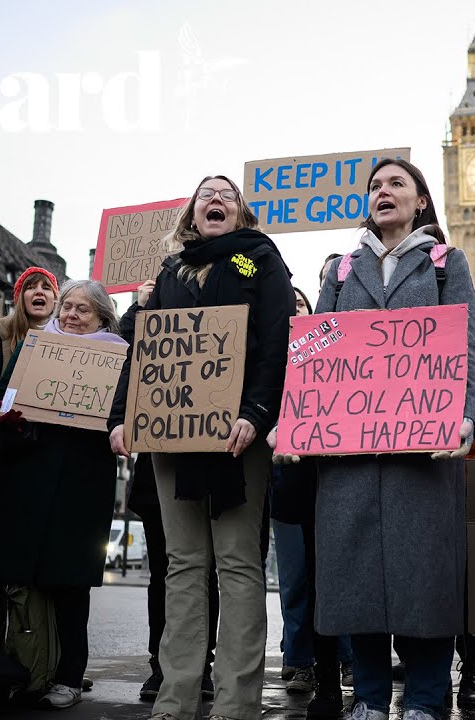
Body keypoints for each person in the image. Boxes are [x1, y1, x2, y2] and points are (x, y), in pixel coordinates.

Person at [292, 157, 475, 720]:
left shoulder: (447, 265)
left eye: (396, 183)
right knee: (355, 582)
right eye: (375, 185)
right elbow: (314, 353)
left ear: (420, 200)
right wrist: (296, 412)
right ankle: (370, 700)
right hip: (349, 459)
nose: (383, 191)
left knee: (423, 579)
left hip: (422, 455)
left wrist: (466, 419)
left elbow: (468, 349)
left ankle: (426, 700)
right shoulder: (342, 272)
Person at [109, 174, 293, 720]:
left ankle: (236, 704)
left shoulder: (259, 260)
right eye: (206, 193)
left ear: (240, 212)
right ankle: (176, 699)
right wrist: (123, 417)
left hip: (239, 436)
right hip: (174, 440)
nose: (216, 199)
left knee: (237, 564)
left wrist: (257, 414)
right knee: (184, 564)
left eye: (227, 194)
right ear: (192, 212)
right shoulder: (171, 271)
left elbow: (276, 339)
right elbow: (144, 349)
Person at [0, 278, 127, 710]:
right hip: (27, 474)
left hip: (82, 481)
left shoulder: (118, 358)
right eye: (67, 307)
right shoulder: (35, 347)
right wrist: (10, 419)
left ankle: (68, 677)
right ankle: (9, 668)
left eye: (83, 309)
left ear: (102, 316)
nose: (71, 315)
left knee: (70, 583)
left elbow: (121, 415)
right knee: (15, 578)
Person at [115, 280, 220, 704]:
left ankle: (202, 667)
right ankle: (161, 666)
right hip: (161, 459)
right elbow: (125, 351)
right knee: (164, 573)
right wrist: (140, 306)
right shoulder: (155, 299)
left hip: (211, 456)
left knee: (207, 572)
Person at [270, 286, 354, 717]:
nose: (298, 312)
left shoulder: (333, 351)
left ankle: (346, 661)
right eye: (293, 307)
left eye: (304, 306)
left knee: (335, 576)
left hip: (333, 477)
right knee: (298, 582)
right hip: (290, 483)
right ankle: (301, 661)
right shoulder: (274, 359)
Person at [0, 265, 58, 649]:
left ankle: (34, 657)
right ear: (18, 297)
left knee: (38, 569)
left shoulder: (71, 345)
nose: (39, 293)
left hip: (43, 464)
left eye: (47, 288)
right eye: (31, 287)